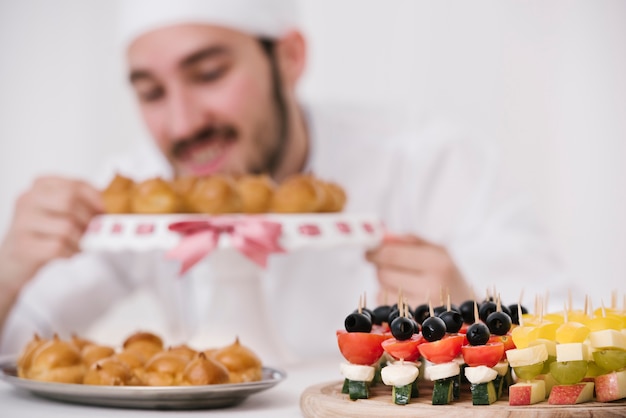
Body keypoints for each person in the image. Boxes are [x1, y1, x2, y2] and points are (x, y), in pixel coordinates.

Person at [0, 0, 573, 363]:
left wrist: (470, 305)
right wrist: (9, 272)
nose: (180, 124)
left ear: (290, 57)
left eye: (209, 73)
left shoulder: (426, 160)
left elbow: (571, 333)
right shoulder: (134, 201)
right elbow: (19, 344)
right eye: (151, 92)